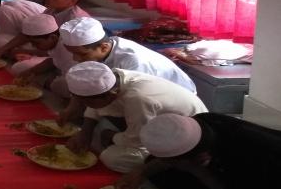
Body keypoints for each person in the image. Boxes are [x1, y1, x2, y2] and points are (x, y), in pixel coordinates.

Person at [114, 113, 281, 189]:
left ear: (200, 158)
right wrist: (140, 172)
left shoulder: (250, 154)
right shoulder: (198, 124)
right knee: (155, 167)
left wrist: (197, 172)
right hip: (222, 171)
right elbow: (164, 160)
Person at [64, 61, 207, 173]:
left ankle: (164, 169)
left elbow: (137, 141)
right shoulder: (112, 79)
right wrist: (85, 132)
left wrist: (111, 136)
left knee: (112, 158)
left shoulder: (138, 98)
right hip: (157, 122)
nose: (83, 105)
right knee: (100, 126)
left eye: (85, 102)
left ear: (111, 94)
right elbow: (93, 102)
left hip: (190, 137)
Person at [59, 17, 196, 92]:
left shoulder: (134, 63)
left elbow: (136, 97)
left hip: (171, 100)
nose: (75, 59)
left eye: (82, 54)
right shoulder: (108, 46)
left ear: (103, 47)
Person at [0, 0, 90, 63]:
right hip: (42, 45)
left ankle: (21, 57)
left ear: (72, 1)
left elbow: (62, 51)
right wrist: (0, 51)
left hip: (63, 56)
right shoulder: (51, 10)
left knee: (21, 67)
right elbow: (31, 33)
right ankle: (16, 54)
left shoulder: (75, 20)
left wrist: (25, 51)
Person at [8, 14, 80, 98]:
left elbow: (72, 77)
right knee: (21, 69)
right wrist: (31, 71)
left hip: (75, 78)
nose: (34, 46)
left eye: (36, 43)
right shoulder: (55, 42)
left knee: (60, 85)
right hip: (60, 71)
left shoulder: (67, 49)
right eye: (32, 43)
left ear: (52, 37)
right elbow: (52, 61)